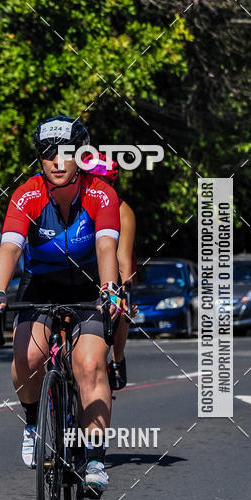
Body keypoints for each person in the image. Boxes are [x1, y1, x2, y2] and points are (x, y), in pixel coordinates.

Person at [0, 115, 121, 494]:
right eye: (48, 154)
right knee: (28, 358)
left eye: (66, 153)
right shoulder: (27, 194)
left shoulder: (101, 194)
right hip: (40, 285)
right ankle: (32, 423)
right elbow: (10, 248)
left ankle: (95, 458)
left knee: (89, 365)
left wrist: (110, 290)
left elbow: (106, 246)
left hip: (89, 285)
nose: (57, 162)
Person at [89, 155, 136, 390]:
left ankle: (117, 359)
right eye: (91, 181)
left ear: (112, 184)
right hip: (85, 264)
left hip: (114, 264)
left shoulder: (122, 210)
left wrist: (124, 293)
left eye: (103, 182)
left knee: (120, 307)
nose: (96, 187)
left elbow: (123, 259)